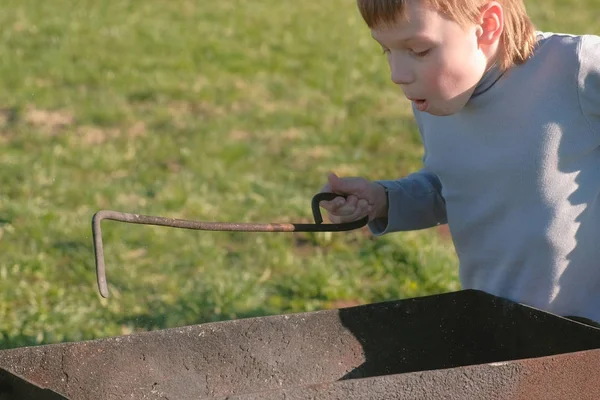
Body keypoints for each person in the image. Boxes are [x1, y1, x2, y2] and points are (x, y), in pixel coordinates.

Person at [319, 0, 600, 324]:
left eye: (419, 50)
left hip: (585, 331)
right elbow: (455, 186)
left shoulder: (573, 69)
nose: (397, 75)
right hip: (494, 321)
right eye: (386, 50)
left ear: (487, 26)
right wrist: (384, 199)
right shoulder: (436, 99)